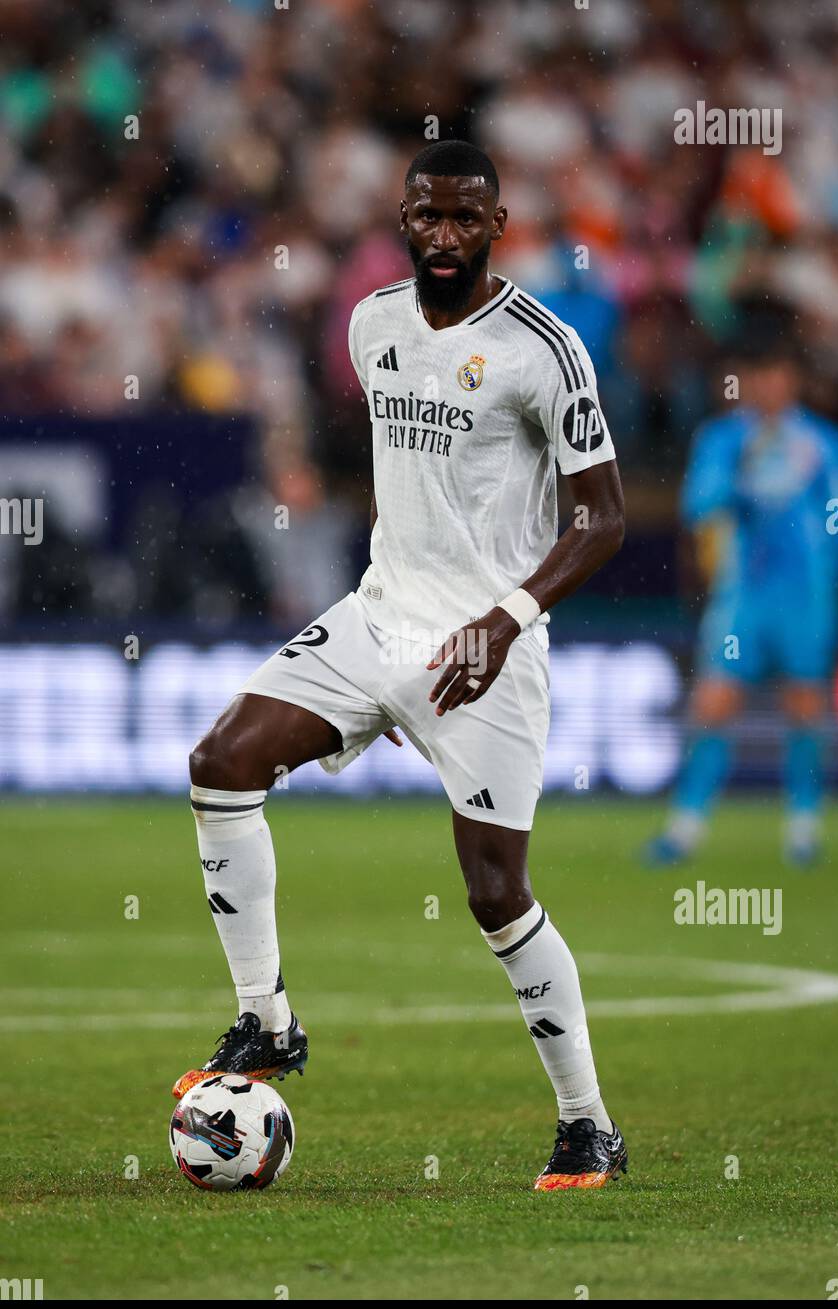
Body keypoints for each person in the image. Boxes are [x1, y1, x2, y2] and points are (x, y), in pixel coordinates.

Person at [175, 141, 627, 1191]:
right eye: (426, 215)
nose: (442, 235)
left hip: (486, 652)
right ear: (401, 216)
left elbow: (601, 518)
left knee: (494, 895)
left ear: (496, 227)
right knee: (220, 762)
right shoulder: (370, 320)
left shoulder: (542, 350)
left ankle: (585, 1121)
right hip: (378, 619)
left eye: (465, 219)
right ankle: (267, 1019)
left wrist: (507, 617)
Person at [646, 314, 838, 866]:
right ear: (743, 380)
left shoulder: (822, 443)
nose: (768, 385)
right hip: (743, 596)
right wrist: (738, 468)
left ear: (792, 379)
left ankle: (803, 831)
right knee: (714, 705)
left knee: (806, 708)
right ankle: (685, 829)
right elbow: (698, 507)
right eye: (758, 375)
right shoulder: (723, 438)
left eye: (777, 374)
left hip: (806, 597)